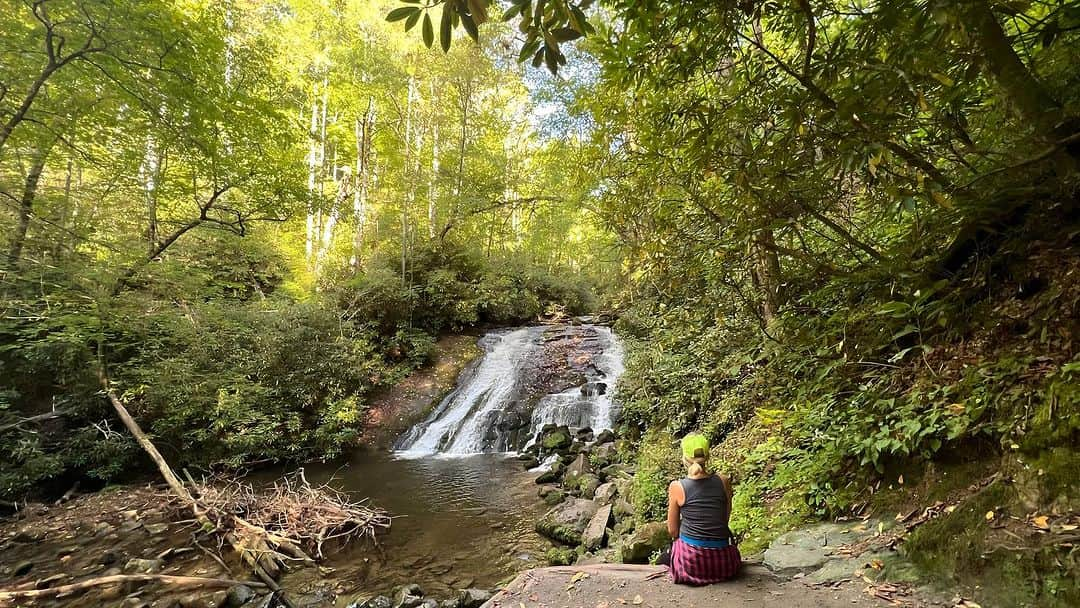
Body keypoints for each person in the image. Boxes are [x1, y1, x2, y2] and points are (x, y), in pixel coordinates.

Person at [659, 433, 741, 585]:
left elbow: (673, 531)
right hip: (724, 562)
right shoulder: (724, 482)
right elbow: (724, 519)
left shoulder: (677, 487)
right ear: (707, 456)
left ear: (684, 458)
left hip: (692, 564)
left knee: (664, 557)